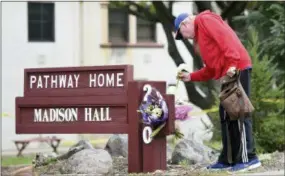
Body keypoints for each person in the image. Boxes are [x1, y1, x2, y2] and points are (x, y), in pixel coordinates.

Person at [174, 10, 261, 172]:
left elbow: (227, 39)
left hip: (237, 68)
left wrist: (233, 64)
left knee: (238, 113)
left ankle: (249, 158)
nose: (185, 38)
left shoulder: (205, 20)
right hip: (227, 73)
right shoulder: (200, 39)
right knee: (226, 115)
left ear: (184, 24)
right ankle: (228, 159)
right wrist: (190, 77)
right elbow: (211, 70)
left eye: (182, 34)